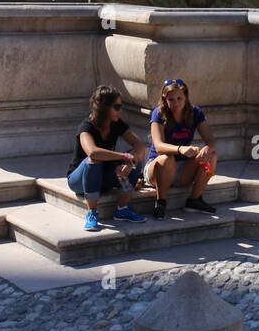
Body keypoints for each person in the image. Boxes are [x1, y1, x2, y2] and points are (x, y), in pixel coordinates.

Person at [67, 85, 148, 231]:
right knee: (93, 160)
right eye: (116, 107)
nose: (120, 111)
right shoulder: (86, 127)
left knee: (136, 159)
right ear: (104, 108)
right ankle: (92, 212)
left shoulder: (116, 123)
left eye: (121, 106)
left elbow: (139, 144)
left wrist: (132, 160)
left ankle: (122, 209)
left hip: (103, 177)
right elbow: (93, 153)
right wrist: (123, 156)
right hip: (79, 180)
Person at [143, 77, 218, 219]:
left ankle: (194, 199)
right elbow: (158, 146)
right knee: (167, 158)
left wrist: (206, 149)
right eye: (171, 99)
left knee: (211, 157)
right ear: (165, 99)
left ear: (186, 98)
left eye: (179, 98)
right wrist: (180, 149)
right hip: (157, 168)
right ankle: (160, 202)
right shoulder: (158, 113)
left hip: (183, 170)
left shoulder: (195, 112)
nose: (176, 103)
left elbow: (211, 140)